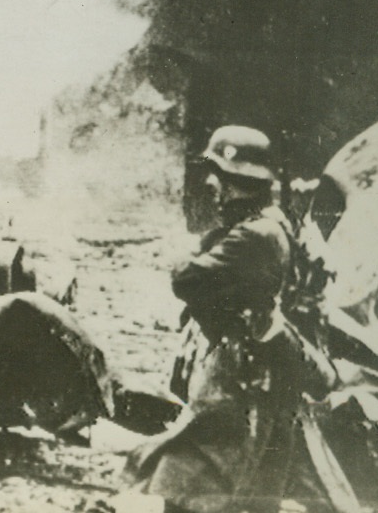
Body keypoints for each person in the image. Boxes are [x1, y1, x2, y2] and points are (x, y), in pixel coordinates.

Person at [128, 125, 358, 513]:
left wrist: (183, 252)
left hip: (239, 384)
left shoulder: (255, 235)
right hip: (257, 381)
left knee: (192, 482)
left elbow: (187, 280)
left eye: (216, 175)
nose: (210, 185)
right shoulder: (268, 223)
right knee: (244, 491)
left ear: (234, 183)